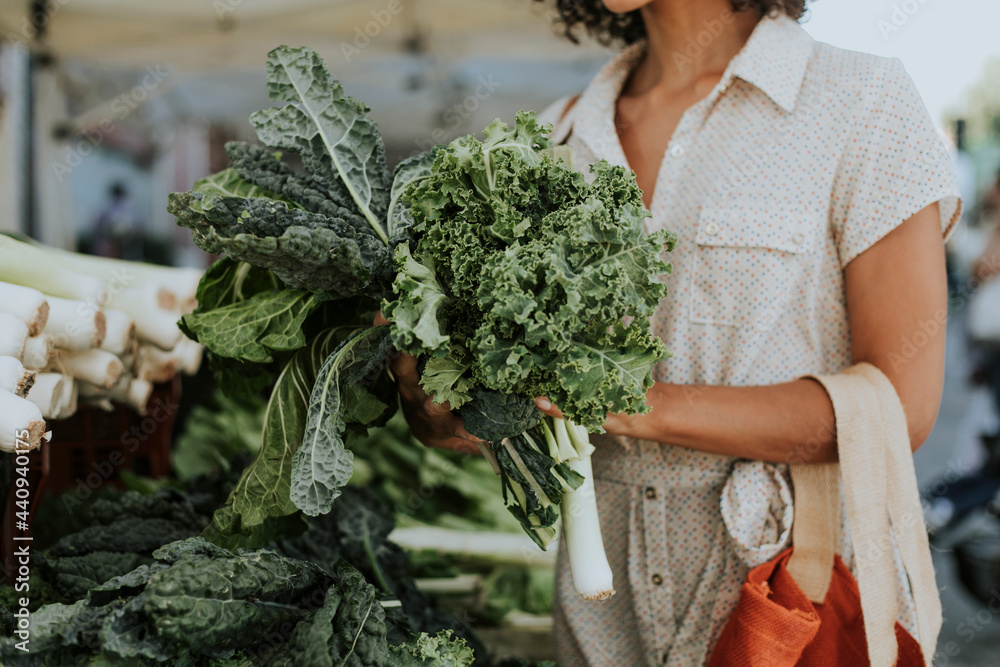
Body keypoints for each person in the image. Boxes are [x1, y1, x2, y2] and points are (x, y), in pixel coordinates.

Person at [387, 1, 961, 664]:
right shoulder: (554, 138)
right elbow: (515, 412)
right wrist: (449, 409)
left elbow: (899, 406)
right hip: (602, 623)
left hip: (793, 605)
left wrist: (630, 405)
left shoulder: (861, 103)